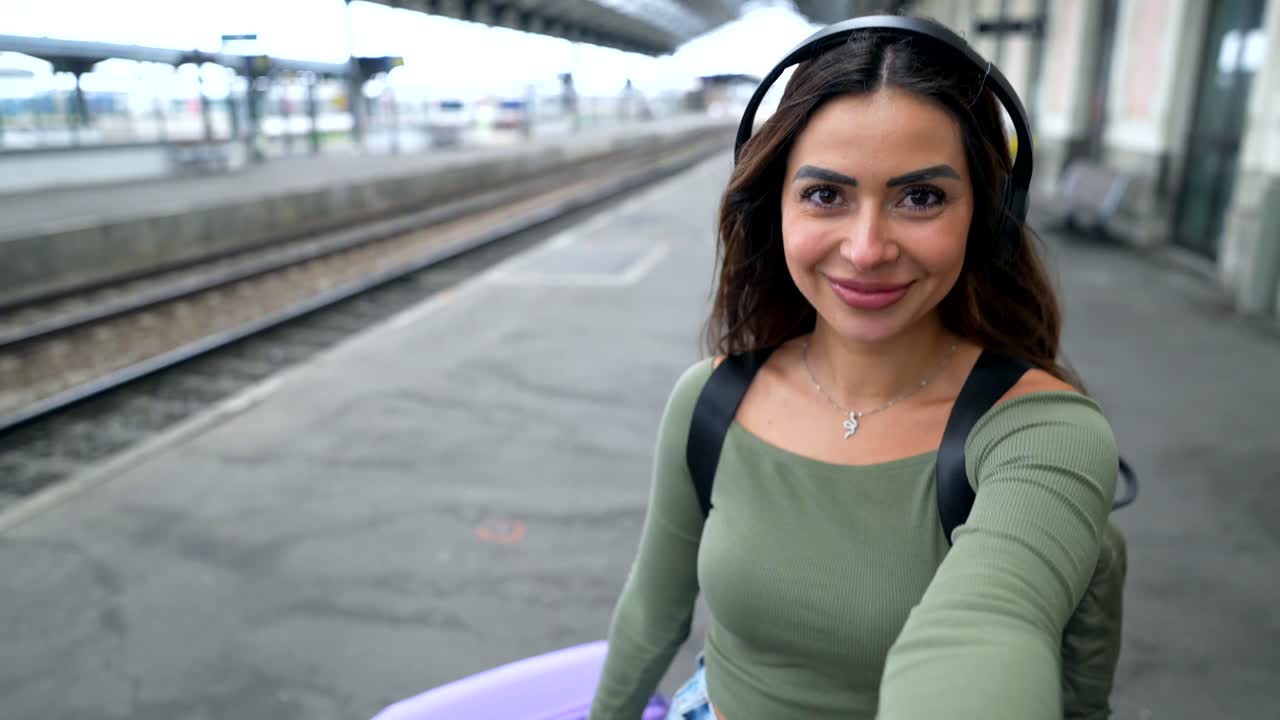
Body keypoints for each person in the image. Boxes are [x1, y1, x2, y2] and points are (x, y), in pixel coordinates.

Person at [587, 15, 1121, 720]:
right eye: (826, 195)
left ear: (987, 217)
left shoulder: (1042, 433)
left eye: (921, 197)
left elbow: (990, 629)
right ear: (772, 208)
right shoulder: (711, 400)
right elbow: (650, 613)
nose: (867, 249)